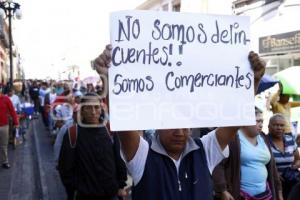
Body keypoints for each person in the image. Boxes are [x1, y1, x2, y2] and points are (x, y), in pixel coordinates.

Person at [92, 45, 266, 200]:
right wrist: (109, 78)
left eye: (185, 125)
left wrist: (253, 82)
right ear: (157, 124)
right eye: (172, 124)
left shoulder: (205, 150)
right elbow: (124, 120)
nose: (180, 132)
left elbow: (235, 119)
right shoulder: (142, 156)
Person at [58, 93, 128, 200]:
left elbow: (119, 159)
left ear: (101, 108)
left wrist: (121, 185)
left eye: (96, 107)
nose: (93, 112)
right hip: (85, 195)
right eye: (88, 108)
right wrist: (74, 190)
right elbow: (65, 167)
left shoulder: (109, 130)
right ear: (82, 110)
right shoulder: (73, 133)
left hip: (111, 194)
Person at [212, 108, 283, 200]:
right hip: (240, 195)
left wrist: (279, 191)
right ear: (246, 121)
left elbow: (272, 168)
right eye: (257, 121)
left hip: (265, 194)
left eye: (262, 121)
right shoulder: (233, 138)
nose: (261, 125)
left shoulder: (263, 138)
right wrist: (222, 190)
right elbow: (217, 164)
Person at [268, 113, 300, 199]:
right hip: (273, 183)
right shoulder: (265, 142)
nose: (279, 128)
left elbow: (298, 159)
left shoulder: (290, 140)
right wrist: (273, 174)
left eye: (282, 125)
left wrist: (294, 166)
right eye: (276, 125)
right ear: (269, 126)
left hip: (291, 181)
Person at [0, 84, 19, 169]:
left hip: (4, 125)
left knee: (4, 144)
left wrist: (16, 122)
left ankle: (5, 161)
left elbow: (12, 111)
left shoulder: (6, 99)